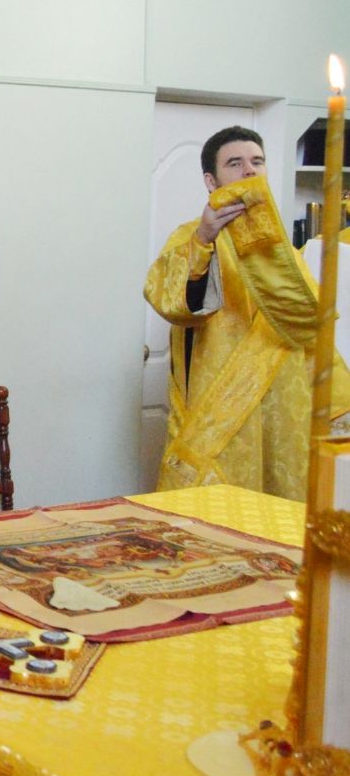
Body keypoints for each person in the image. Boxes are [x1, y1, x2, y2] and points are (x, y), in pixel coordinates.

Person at [145, 125, 350, 497]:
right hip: (221, 406)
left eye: (257, 161)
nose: (249, 170)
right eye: (235, 163)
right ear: (211, 180)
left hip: (284, 407)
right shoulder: (190, 236)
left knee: (280, 505)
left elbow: (311, 335)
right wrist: (204, 240)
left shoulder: (284, 252)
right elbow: (172, 303)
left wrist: (340, 404)